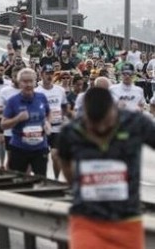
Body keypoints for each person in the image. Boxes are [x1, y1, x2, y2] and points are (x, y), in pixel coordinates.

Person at [58, 87, 155, 249]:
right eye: (94, 124)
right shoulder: (70, 132)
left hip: (127, 222)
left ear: (114, 109)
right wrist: (77, 183)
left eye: (106, 121)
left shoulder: (135, 123)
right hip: (86, 221)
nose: (101, 128)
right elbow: (64, 160)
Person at [1, 68, 50, 176]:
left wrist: (47, 123)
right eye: (25, 81)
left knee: (41, 180)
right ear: (19, 83)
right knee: (18, 180)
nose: (28, 84)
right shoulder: (13, 101)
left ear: (35, 82)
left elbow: (48, 113)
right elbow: (3, 125)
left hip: (40, 148)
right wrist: (17, 118)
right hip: (19, 148)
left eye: (31, 81)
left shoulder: (42, 98)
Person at [36, 64, 69, 180]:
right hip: (42, 128)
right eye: (47, 74)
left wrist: (64, 117)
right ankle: (42, 178)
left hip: (57, 128)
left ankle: (56, 178)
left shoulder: (60, 90)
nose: (49, 76)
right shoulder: (37, 92)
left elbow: (65, 106)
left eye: (51, 74)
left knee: (56, 155)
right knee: (43, 156)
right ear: (41, 75)